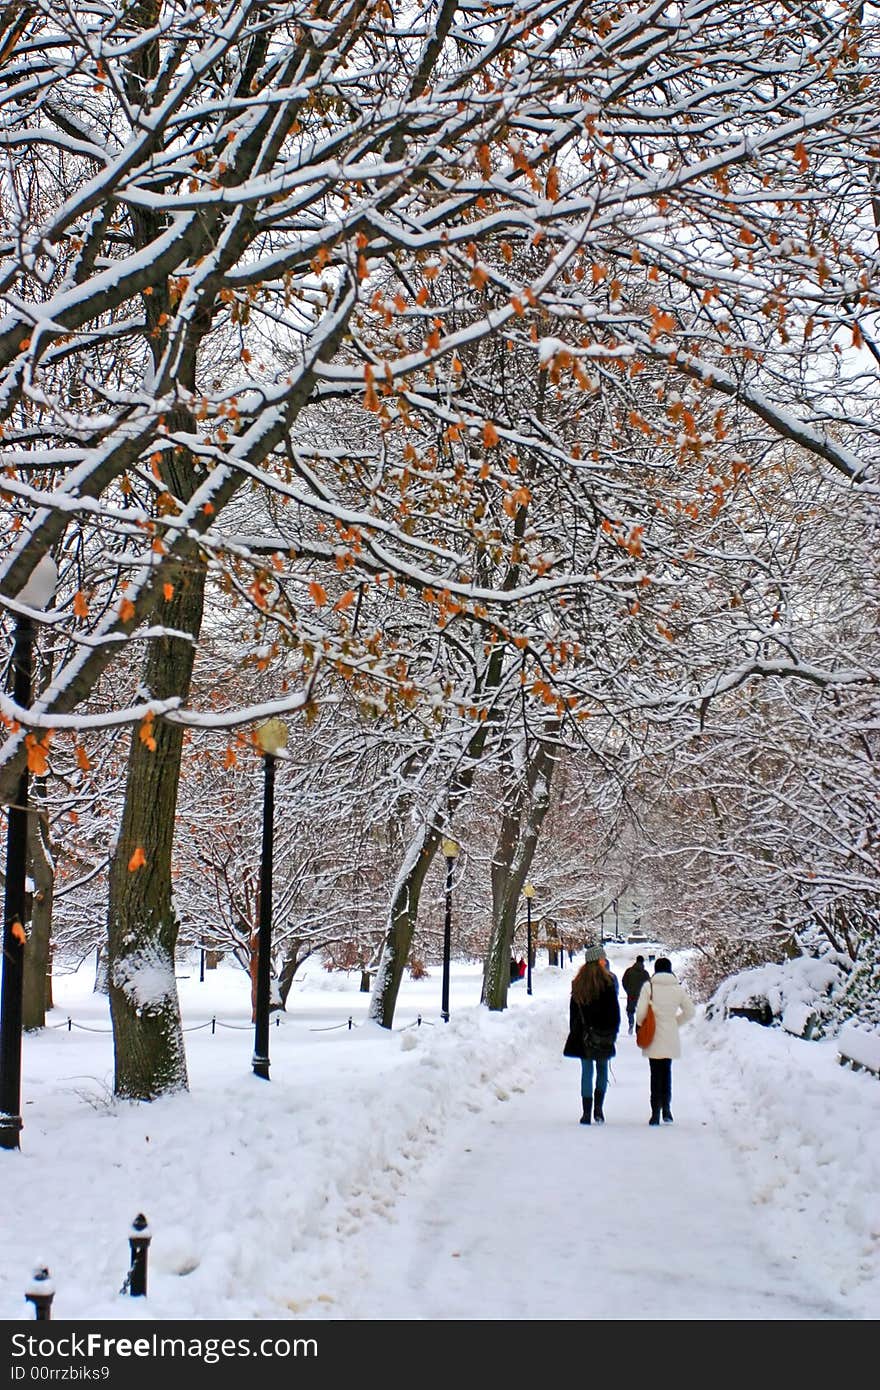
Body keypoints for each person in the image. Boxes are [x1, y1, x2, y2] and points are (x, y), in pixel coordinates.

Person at [563, 944, 620, 1125]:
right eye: (603, 958)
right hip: (603, 1035)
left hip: (583, 1035)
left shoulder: (578, 984)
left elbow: (573, 1013)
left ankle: (586, 1112)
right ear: (599, 960)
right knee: (602, 1070)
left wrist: (576, 1032)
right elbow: (614, 1013)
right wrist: (613, 1032)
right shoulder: (608, 983)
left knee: (586, 1072)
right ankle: (598, 1110)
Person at [634, 957, 696, 1125]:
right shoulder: (678, 989)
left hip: (653, 1035)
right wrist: (676, 1022)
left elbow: (640, 1013)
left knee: (655, 1074)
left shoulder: (649, 987)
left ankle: (655, 1113)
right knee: (666, 1072)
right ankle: (667, 1108)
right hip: (670, 1034)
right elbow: (690, 1012)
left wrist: (642, 1025)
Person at [621, 955, 650, 1035]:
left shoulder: (629, 971)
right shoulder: (645, 973)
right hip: (642, 996)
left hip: (631, 995)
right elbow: (649, 985)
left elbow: (624, 981)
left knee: (630, 1011)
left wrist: (628, 991)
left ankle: (631, 1023)